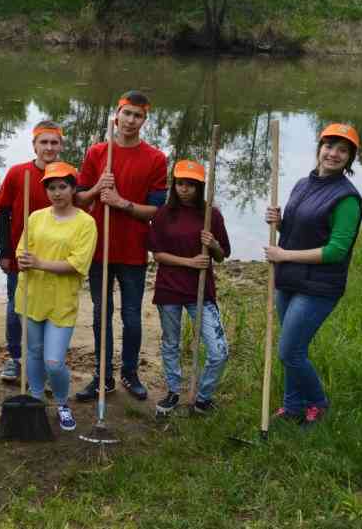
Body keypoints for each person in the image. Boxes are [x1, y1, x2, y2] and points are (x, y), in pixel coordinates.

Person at [264, 123, 362, 427]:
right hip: (290, 279)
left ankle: (318, 403)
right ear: (319, 148)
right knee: (293, 349)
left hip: (319, 286)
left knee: (289, 351)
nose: (333, 154)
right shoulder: (302, 184)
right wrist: (280, 223)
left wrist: (285, 256)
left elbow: (336, 250)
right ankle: (292, 406)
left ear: (350, 158)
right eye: (329, 146)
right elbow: (300, 231)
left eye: (342, 150)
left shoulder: (346, 199)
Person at [75, 91, 168, 402]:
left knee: (131, 315)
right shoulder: (97, 152)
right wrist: (97, 189)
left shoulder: (156, 158)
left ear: (144, 120)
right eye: (126, 114)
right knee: (101, 314)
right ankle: (103, 376)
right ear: (116, 115)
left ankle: (130, 372)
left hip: (132, 251)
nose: (130, 121)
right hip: (98, 248)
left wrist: (121, 203)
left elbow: (156, 211)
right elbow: (78, 199)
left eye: (137, 116)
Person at [16, 162, 96, 432]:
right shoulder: (36, 217)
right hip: (30, 296)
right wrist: (23, 261)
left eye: (63, 186)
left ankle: (62, 402)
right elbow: (21, 251)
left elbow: (77, 264)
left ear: (74, 188)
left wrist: (38, 263)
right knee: (34, 353)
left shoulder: (86, 223)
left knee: (53, 361)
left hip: (62, 300)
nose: (57, 192)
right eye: (51, 187)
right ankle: (36, 399)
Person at [148, 160, 231, 416]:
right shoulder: (163, 214)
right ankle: (173, 391)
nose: (185, 189)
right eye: (181, 183)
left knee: (219, 351)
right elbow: (158, 255)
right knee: (170, 343)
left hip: (201, 291)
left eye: (191, 185)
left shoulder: (211, 215)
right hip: (169, 290)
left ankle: (203, 398)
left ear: (200, 187)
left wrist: (213, 243)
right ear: (174, 185)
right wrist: (189, 262)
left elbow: (222, 255)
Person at [0, 121, 64, 382]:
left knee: (50, 307)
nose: (49, 147)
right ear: (34, 145)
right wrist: (5, 251)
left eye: (54, 142)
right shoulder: (17, 173)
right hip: (21, 254)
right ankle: (15, 357)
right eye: (43, 142)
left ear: (61, 146)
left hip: (53, 257)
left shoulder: (67, 175)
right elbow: (3, 214)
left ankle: (47, 359)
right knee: (16, 307)